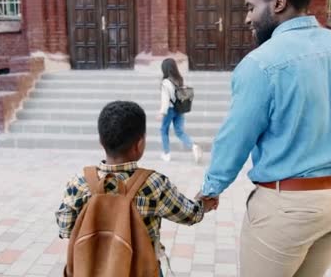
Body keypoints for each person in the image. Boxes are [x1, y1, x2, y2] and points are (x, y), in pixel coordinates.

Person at [196, 0, 331, 277]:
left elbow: (235, 137)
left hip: (289, 206)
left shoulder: (262, 63)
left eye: (251, 7)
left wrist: (211, 189)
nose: (247, 18)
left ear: (278, 3)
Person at [56, 101, 217, 276]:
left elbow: (65, 228)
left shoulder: (78, 183)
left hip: (90, 270)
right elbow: (189, 214)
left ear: (101, 142)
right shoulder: (154, 183)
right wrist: (204, 204)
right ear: (139, 144)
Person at [158, 58, 203, 163]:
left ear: (164, 69)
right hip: (179, 109)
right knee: (179, 131)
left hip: (169, 110)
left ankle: (166, 153)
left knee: (164, 130)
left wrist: (162, 112)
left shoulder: (165, 82)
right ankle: (193, 146)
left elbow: (165, 99)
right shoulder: (179, 79)